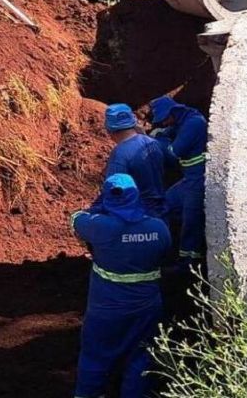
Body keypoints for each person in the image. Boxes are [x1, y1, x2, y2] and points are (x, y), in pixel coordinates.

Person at [72, 174, 172, 398]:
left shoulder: (101, 227)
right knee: (141, 356)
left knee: (95, 356)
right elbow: (165, 254)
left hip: (106, 309)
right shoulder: (158, 228)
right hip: (147, 308)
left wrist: (97, 209)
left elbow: (76, 219)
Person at [148, 96, 207, 264]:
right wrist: (162, 133)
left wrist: (158, 140)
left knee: (191, 220)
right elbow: (170, 130)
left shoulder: (194, 123)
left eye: (164, 119)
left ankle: (189, 262)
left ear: (173, 112)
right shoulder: (183, 120)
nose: (164, 123)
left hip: (198, 180)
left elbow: (174, 153)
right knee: (167, 204)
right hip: (189, 179)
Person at [99, 104, 167, 219]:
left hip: (139, 217)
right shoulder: (153, 142)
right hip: (162, 211)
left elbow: (114, 193)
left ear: (109, 130)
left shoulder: (120, 154)